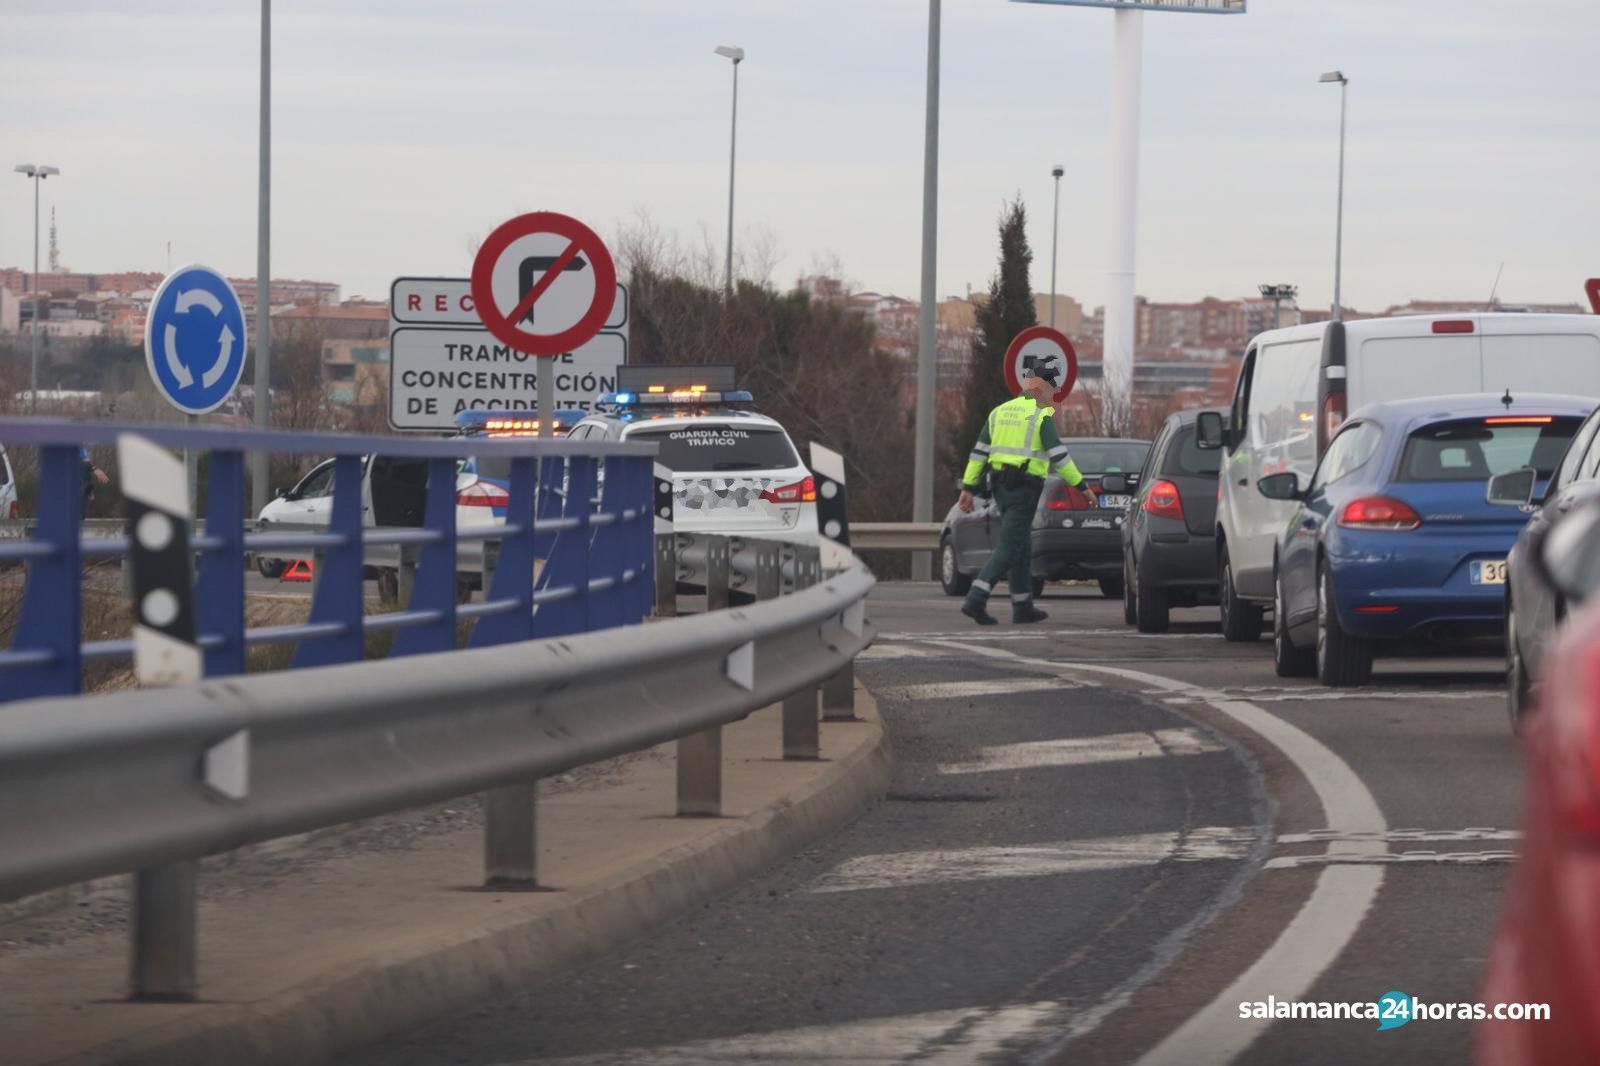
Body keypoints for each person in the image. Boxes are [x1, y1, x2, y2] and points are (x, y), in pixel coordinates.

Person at [956, 364, 1096, 625]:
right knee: (1010, 545)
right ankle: (976, 598)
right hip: (1024, 489)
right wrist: (1082, 487)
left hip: (999, 486)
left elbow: (978, 453)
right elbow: (1059, 457)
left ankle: (1023, 606)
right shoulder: (1041, 415)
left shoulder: (998, 412)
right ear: (1041, 388)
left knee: (1021, 544)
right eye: (1051, 389)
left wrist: (968, 488)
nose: (1052, 396)